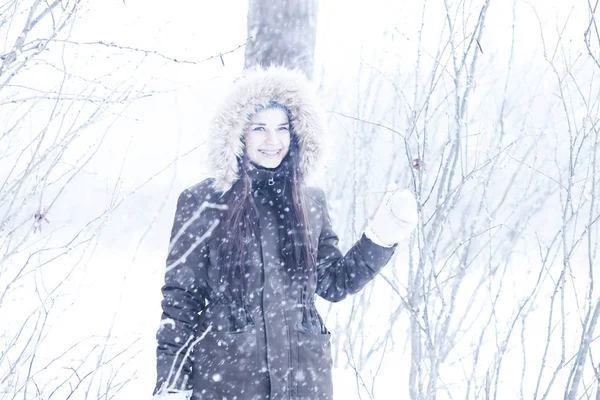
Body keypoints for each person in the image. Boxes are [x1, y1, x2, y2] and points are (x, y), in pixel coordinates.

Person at [152, 66, 418, 400]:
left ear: (296, 135)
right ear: (238, 134)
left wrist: (381, 237)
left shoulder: (311, 202)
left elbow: (334, 283)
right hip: (228, 381)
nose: (272, 141)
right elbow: (180, 302)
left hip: (304, 380)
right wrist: (172, 385)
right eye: (259, 128)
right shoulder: (204, 202)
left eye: (282, 129)